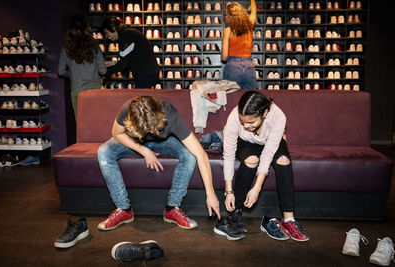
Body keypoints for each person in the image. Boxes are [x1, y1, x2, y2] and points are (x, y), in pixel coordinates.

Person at [97, 96, 221, 231]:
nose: (150, 132)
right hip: (136, 142)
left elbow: (200, 154)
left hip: (163, 143)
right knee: (104, 151)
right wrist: (143, 150)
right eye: (146, 130)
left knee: (189, 154)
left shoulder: (170, 114)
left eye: (152, 128)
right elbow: (116, 133)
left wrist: (211, 194)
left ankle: (172, 208)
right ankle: (124, 209)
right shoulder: (127, 110)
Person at [214, 91, 309, 241]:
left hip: (270, 142)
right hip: (244, 143)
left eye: (251, 122)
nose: (245, 126)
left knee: (283, 160)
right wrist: (228, 191)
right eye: (242, 121)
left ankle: (289, 219)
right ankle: (234, 214)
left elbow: (268, 153)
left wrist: (257, 188)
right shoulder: (234, 117)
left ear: (264, 113)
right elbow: (229, 154)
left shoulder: (278, 117)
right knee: (251, 160)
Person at [58, 15, 106, 117]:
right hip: (94, 90)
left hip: (77, 90)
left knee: (81, 126)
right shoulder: (95, 46)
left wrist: (72, 74)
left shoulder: (66, 48)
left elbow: (61, 71)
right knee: (96, 121)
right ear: (87, 29)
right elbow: (103, 71)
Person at [102, 17, 159, 88]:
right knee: (143, 96)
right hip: (148, 72)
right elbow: (128, 59)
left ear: (113, 28)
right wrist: (113, 64)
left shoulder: (126, 36)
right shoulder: (127, 33)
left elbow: (123, 63)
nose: (107, 36)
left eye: (106, 33)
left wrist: (104, 74)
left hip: (146, 74)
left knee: (142, 97)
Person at [221, 0, 257, 89]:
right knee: (249, 97)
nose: (224, 17)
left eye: (226, 14)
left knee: (231, 98)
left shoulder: (228, 31)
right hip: (249, 66)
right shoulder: (249, 27)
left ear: (232, 16)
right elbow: (253, 12)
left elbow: (224, 57)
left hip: (233, 66)